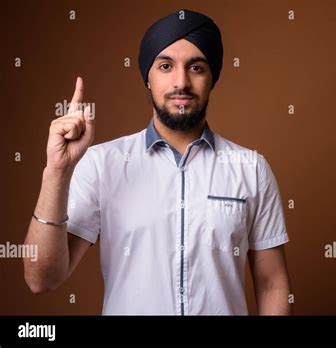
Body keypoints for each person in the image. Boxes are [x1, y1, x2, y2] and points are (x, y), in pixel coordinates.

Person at [23, 9, 292, 315]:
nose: (181, 82)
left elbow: (271, 285)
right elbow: (40, 279)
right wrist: (56, 171)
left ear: (212, 78)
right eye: (165, 66)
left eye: (196, 67)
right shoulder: (101, 164)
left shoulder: (252, 169)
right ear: (147, 78)